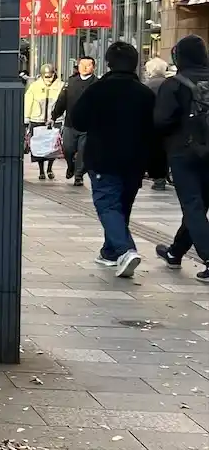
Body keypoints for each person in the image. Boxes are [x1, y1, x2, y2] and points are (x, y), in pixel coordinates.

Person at [71, 41, 162, 278]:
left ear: (109, 63)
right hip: (135, 161)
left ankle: (124, 250)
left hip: (103, 157)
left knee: (108, 205)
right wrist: (157, 167)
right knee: (122, 206)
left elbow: (77, 120)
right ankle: (110, 252)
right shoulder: (145, 94)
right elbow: (156, 132)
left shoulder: (98, 90)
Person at [153, 35, 209, 281]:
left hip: (184, 152)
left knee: (193, 205)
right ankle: (175, 252)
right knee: (199, 205)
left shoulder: (174, 84)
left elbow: (161, 121)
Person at [51, 56, 97, 186]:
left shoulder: (98, 84)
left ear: (93, 67)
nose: (84, 67)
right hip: (70, 123)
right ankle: (70, 166)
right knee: (67, 149)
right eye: (82, 65)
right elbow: (62, 100)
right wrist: (54, 116)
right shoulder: (71, 82)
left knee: (83, 151)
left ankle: (78, 175)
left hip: (88, 126)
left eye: (88, 65)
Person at [25, 64, 65, 180]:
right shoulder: (34, 86)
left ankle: (49, 168)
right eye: (46, 76)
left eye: (50, 76)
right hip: (37, 119)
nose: (49, 79)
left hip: (55, 119)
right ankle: (41, 170)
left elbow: (64, 102)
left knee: (52, 146)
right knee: (39, 146)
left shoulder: (61, 86)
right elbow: (28, 101)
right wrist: (26, 117)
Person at [144, 56, 171, 191]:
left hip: (151, 123)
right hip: (168, 122)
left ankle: (158, 179)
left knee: (155, 151)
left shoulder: (146, 86)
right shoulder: (170, 84)